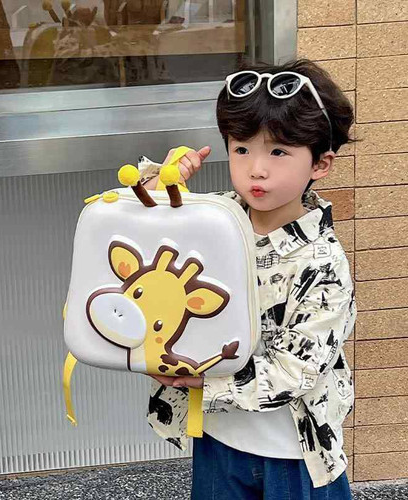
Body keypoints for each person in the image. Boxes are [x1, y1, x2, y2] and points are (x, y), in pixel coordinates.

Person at [139, 59, 356, 499]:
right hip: (219, 436)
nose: (256, 168)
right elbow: (149, 242)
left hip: (292, 452)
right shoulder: (216, 218)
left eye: (278, 152)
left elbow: (297, 370)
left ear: (321, 163)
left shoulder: (322, 261)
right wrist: (160, 187)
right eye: (241, 149)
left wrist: (205, 383)